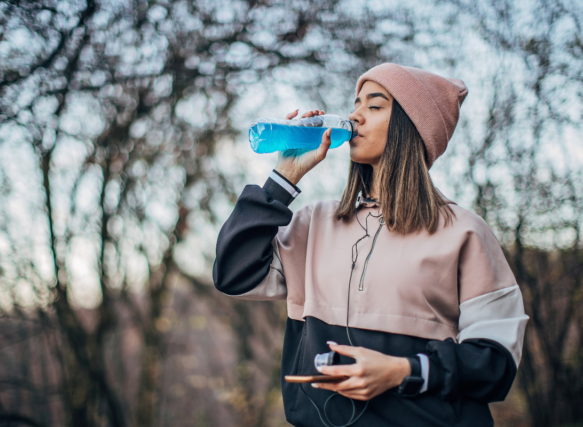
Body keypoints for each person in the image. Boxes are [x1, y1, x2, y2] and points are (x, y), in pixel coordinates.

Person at [213, 63, 529, 427]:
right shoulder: (314, 224)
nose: (354, 116)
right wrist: (283, 178)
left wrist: (403, 370)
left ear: (412, 128)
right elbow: (233, 274)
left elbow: (495, 361)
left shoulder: (464, 232)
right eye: (355, 103)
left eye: (374, 106)